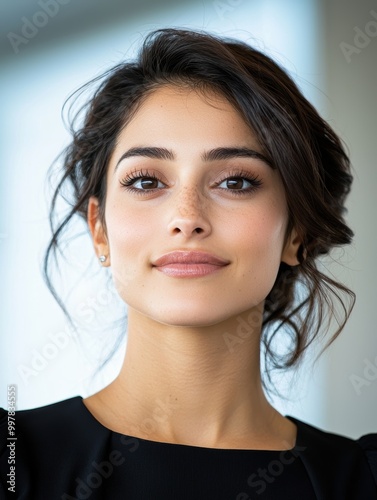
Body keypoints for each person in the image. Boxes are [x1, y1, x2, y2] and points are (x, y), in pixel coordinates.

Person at [0, 28, 376, 499]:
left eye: (236, 182)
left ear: (296, 231)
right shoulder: (12, 462)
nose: (187, 218)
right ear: (99, 229)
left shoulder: (363, 483)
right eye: (146, 181)